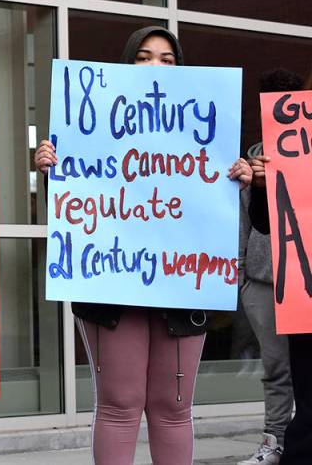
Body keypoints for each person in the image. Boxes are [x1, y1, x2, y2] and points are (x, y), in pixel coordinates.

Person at [34, 26, 252, 465]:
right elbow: (75, 206)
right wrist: (51, 172)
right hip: (113, 283)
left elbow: (222, 213)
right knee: (120, 405)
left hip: (184, 284)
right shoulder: (91, 126)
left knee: (173, 409)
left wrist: (241, 181)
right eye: (144, 57)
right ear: (127, 65)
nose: (156, 67)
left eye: (168, 60)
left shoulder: (206, 131)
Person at [237, 69, 301, 465]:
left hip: (304, 282)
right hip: (262, 282)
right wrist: (242, 273)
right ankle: (274, 441)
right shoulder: (253, 156)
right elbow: (242, 219)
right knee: (276, 369)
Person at [249, 68, 312, 465]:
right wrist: (263, 187)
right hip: (304, 294)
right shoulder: (289, 151)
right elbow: (264, 224)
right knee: (306, 395)